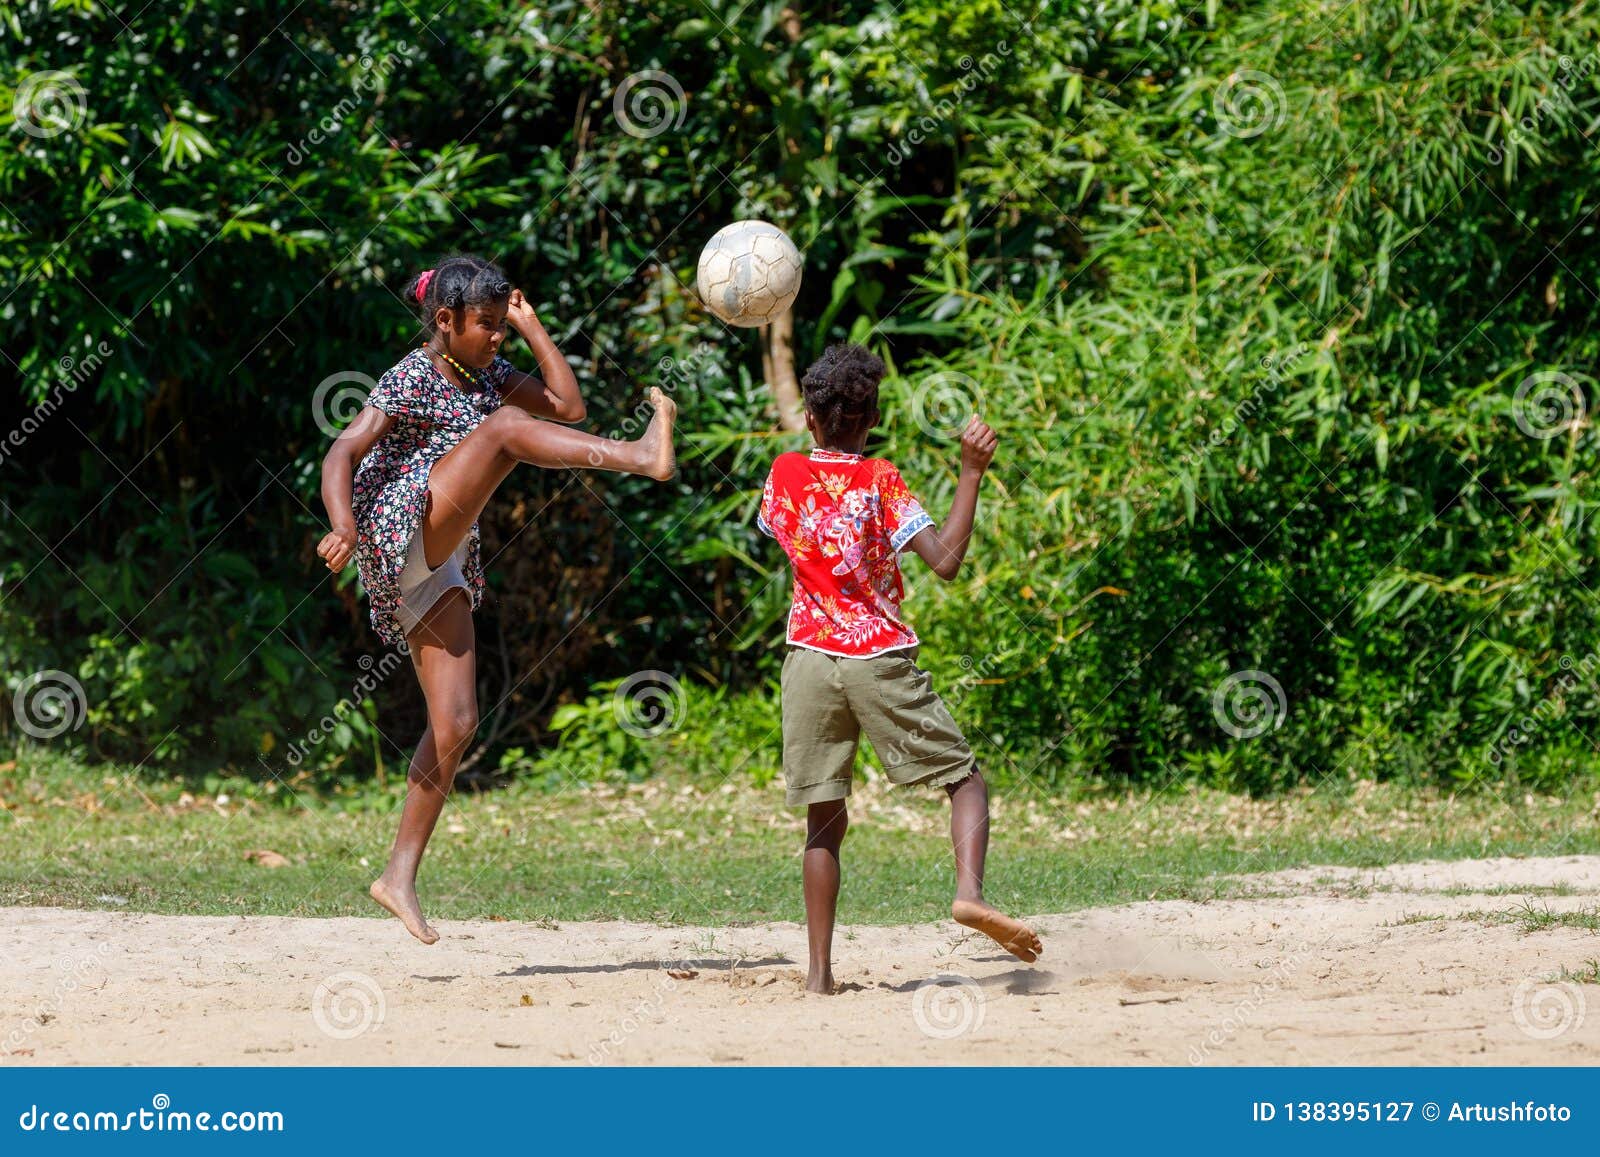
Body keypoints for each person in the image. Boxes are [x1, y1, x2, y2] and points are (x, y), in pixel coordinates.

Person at [316, 253, 676, 944]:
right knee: (507, 433)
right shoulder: (413, 372)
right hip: (397, 527)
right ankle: (639, 455)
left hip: (441, 558)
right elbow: (343, 451)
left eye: (500, 326)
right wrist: (341, 523)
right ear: (443, 322)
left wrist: (533, 326)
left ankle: (397, 875)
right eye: (486, 325)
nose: (495, 338)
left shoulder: (489, 377)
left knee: (455, 723)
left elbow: (569, 407)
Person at [757, 342, 1043, 993]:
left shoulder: (785, 473)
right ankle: (969, 893)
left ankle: (819, 975)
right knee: (965, 781)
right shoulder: (880, 478)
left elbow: (784, 530)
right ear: (873, 415)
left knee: (823, 823)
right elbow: (944, 559)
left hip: (807, 660)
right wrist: (971, 472)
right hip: (877, 660)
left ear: (809, 415)